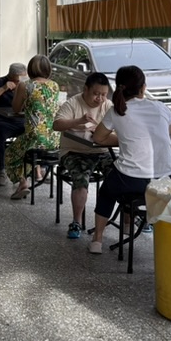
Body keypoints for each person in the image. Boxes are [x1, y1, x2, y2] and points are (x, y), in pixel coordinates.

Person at [87, 65, 171, 254]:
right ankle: (131, 227)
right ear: (143, 88)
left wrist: (125, 139)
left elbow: (98, 138)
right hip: (165, 180)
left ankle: (97, 240)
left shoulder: (117, 111)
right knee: (123, 176)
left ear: (119, 87)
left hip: (130, 180)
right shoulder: (159, 107)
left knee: (107, 191)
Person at [53, 72, 114, 240]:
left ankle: (127, 221)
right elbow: (57, 124)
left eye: (104, 94)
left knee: (120, 175)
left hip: (101, 152)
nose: (100, 98)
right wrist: (78, 121)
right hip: (74, 151)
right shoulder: (73, 103)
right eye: (96, 93)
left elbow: (119, 127)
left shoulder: (108, 105)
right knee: (81, 179)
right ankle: (76, 221)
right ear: (85, 89)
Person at [4, 54, 62, 200]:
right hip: (54, 139)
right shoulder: (54, 86)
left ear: (30, 70)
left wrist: (19, 93)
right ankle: (30, 178)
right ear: (48, 69)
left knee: (11, 153)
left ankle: (23, 182)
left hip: (34, 138)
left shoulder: (26, 85)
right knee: (24, 151)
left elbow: (16, 108)